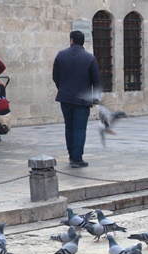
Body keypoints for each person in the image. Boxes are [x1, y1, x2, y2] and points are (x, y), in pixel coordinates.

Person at [52, 30, 101, 168]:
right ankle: (77, 158)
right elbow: (96, 81)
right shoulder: (90, 58)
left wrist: (62, 88)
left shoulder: (61, 55)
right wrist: (95, 98)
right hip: (82, 99)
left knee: (69, 127)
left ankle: (71, 154)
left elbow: (55, 76)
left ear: (71, 40)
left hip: (65, 97)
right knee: (80, 128)